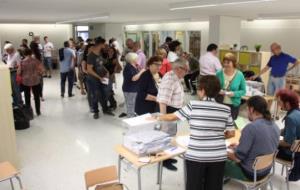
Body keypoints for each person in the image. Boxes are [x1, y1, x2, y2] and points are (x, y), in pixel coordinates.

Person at [156, 75, 235, 190]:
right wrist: (216, 136)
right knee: (214, 186)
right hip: (218, 156)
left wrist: (157, 117)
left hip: (197, 156)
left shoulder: (194, 105)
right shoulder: (226, 109)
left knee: (194, 186)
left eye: (198, 89)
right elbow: (231, 133)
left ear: (203, 91)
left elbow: (173, 117)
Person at [225, 96, 280, 181]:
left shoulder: (251, 128)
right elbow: (261, 144)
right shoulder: (275, 126)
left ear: (251, 109)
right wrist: (239, 146)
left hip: (250, 173)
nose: (247, 112)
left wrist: (225, 152)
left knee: (218, 160)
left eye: (247, 109)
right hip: (266, 170)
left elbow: (237, 158)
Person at [156, 58, 188, 171]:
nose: (187, 72)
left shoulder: (175, 77)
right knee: (166, 136)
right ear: (179, 69)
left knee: (171, 136)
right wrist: (164, 120)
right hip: (168, 111)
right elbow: (163, 101)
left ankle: (168, 157)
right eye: (186, 70)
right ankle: (163, 160)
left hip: (173, 112)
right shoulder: (170, 79)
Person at [87, 36, 114, 119]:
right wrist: (99, 77)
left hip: (102, 78)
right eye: (104, 44)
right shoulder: (91, 55)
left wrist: (107, 71)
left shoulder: (100, 53)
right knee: (95, 95)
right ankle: (96, 111)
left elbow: (101, 64)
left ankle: (105, 109)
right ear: (101, 44)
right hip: (93, 79)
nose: (105, 45)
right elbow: (89, 70)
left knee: (104, 94)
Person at [216, 53, 246, 120]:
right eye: (224, 62)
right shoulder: (219, 73)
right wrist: (218, 91)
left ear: (233, 63)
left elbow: (243, 91)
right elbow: (213, 87)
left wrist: (234, 94)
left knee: (231, 126)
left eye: (228, 62)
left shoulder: (239, 75)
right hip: (220, 103)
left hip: (234, 105)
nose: (225, 64)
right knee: (220, 124)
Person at [17, 48, 43, 116]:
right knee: (36, 96)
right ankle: (38, 111)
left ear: (24, 54)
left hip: (26, 81)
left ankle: (29, 112)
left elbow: (19, 72)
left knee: (27, 96)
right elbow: (41, 70)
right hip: (35, 80)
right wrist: (38, 74)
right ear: (31, 53)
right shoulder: (36, 61)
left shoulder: (22, 62)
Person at [276, 89, 300, 161]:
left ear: (287, 103)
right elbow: (288, 130)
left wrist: (273, 140)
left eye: (279, 102)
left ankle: (261, 168)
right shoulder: (297, 111)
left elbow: (288, 143)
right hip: (297, 149)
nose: (278, 104)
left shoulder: (290, 118)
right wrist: (274, 132)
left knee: (267, 146)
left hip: (293, 153)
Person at [122, 52, 146, 118]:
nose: (138, 60)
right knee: (130, 104)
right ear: (133, 59)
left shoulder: (133, 66)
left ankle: (132, 114)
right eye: (137, 58)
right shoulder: (129, 67)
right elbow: (133, 78)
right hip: (130, 89)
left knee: (133, 104)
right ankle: (130, 118)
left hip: (133, 88)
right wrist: (141, 72)